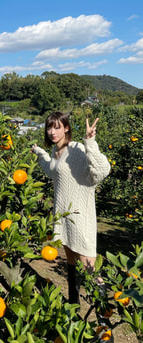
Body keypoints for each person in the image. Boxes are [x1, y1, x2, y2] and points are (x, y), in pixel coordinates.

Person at [31, 111, 111, 305]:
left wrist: (90, 143)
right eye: (49, 127)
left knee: (90, 268)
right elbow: (52, 170)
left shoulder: (75, 149)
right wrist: (40, 153)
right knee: (72, 263)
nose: (52, 132)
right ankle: (73, 306)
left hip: (80, 218)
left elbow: (102, 170)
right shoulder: (55, 152)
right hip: (64, 218)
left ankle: (104, 322)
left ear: (66, 128)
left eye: (57, 127)